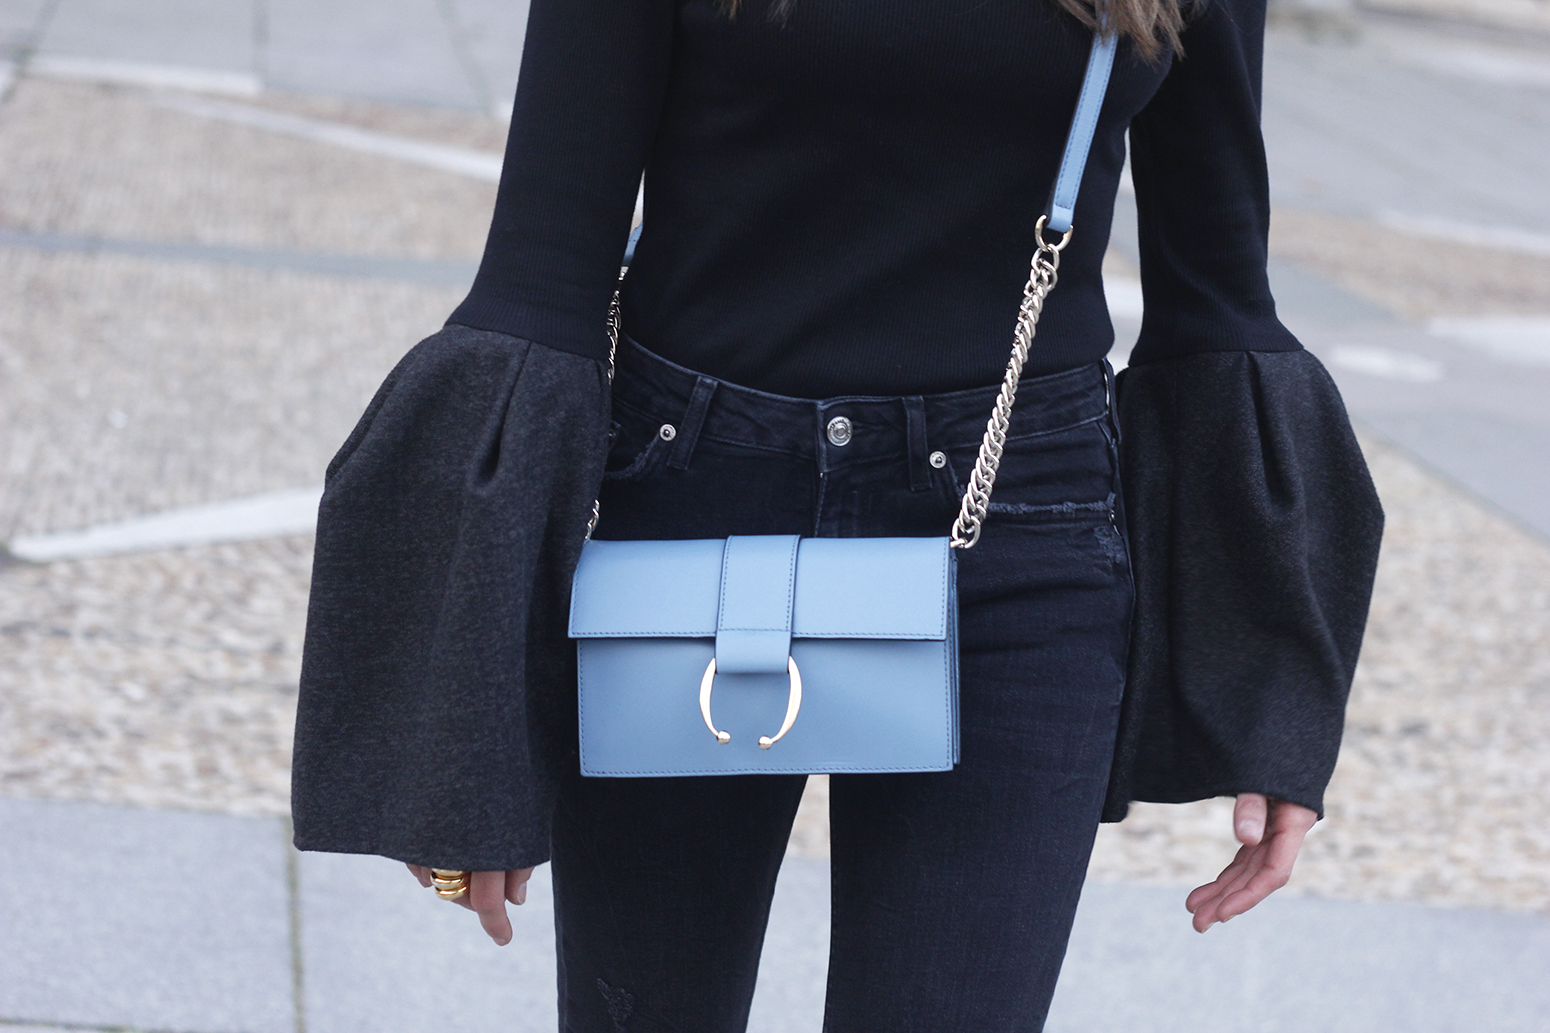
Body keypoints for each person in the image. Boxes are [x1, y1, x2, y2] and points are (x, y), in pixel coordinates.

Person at [290, 0, 1384, 1027]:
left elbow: (1218, 295)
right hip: (691, 499)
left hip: (1022, 525)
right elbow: (540, 274)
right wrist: (468, 739)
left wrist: (1269, 698)